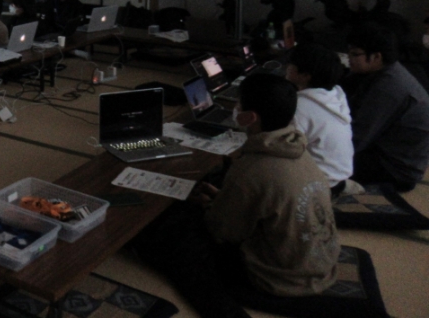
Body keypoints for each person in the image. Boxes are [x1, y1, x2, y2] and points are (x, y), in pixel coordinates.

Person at [131, 73, 339, 318]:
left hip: (280, 278)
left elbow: (223, 233)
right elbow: (270, 199)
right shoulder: (298, 151)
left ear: (249, 117)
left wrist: (212, 207)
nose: (235, 108)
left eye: (239, 104)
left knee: (177, 238)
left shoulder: (251, 169)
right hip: (320, 263)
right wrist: (225, 199)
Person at [341, 22, 429, 191]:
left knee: (320, 161)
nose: (349, 58)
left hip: (396, 167)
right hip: (382, 149)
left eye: (355, 54)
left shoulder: (388, 87)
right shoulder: (384, 71)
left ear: (376, 57)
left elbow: (358, 138)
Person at [285, 43, 354, 193]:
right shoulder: (335, 95)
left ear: (305, 75)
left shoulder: (300, 107)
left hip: (318, 184)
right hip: (337, 177)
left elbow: (285, 148)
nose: (287, 68)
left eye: (291, 65)